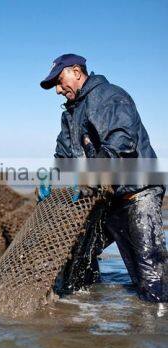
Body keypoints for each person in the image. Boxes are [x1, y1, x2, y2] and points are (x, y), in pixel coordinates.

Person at [40, 54, 167, 302]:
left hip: (137, 193)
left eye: (59, 80)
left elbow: (122, 142)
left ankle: (156, 327)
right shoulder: (71, 114)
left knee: (149, 273)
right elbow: (65, 155)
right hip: (106, 198)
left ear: (76, 72)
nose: (57, 90)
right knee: (77, 257)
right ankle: (83, 313)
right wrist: (53, 178)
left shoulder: (108, 96)